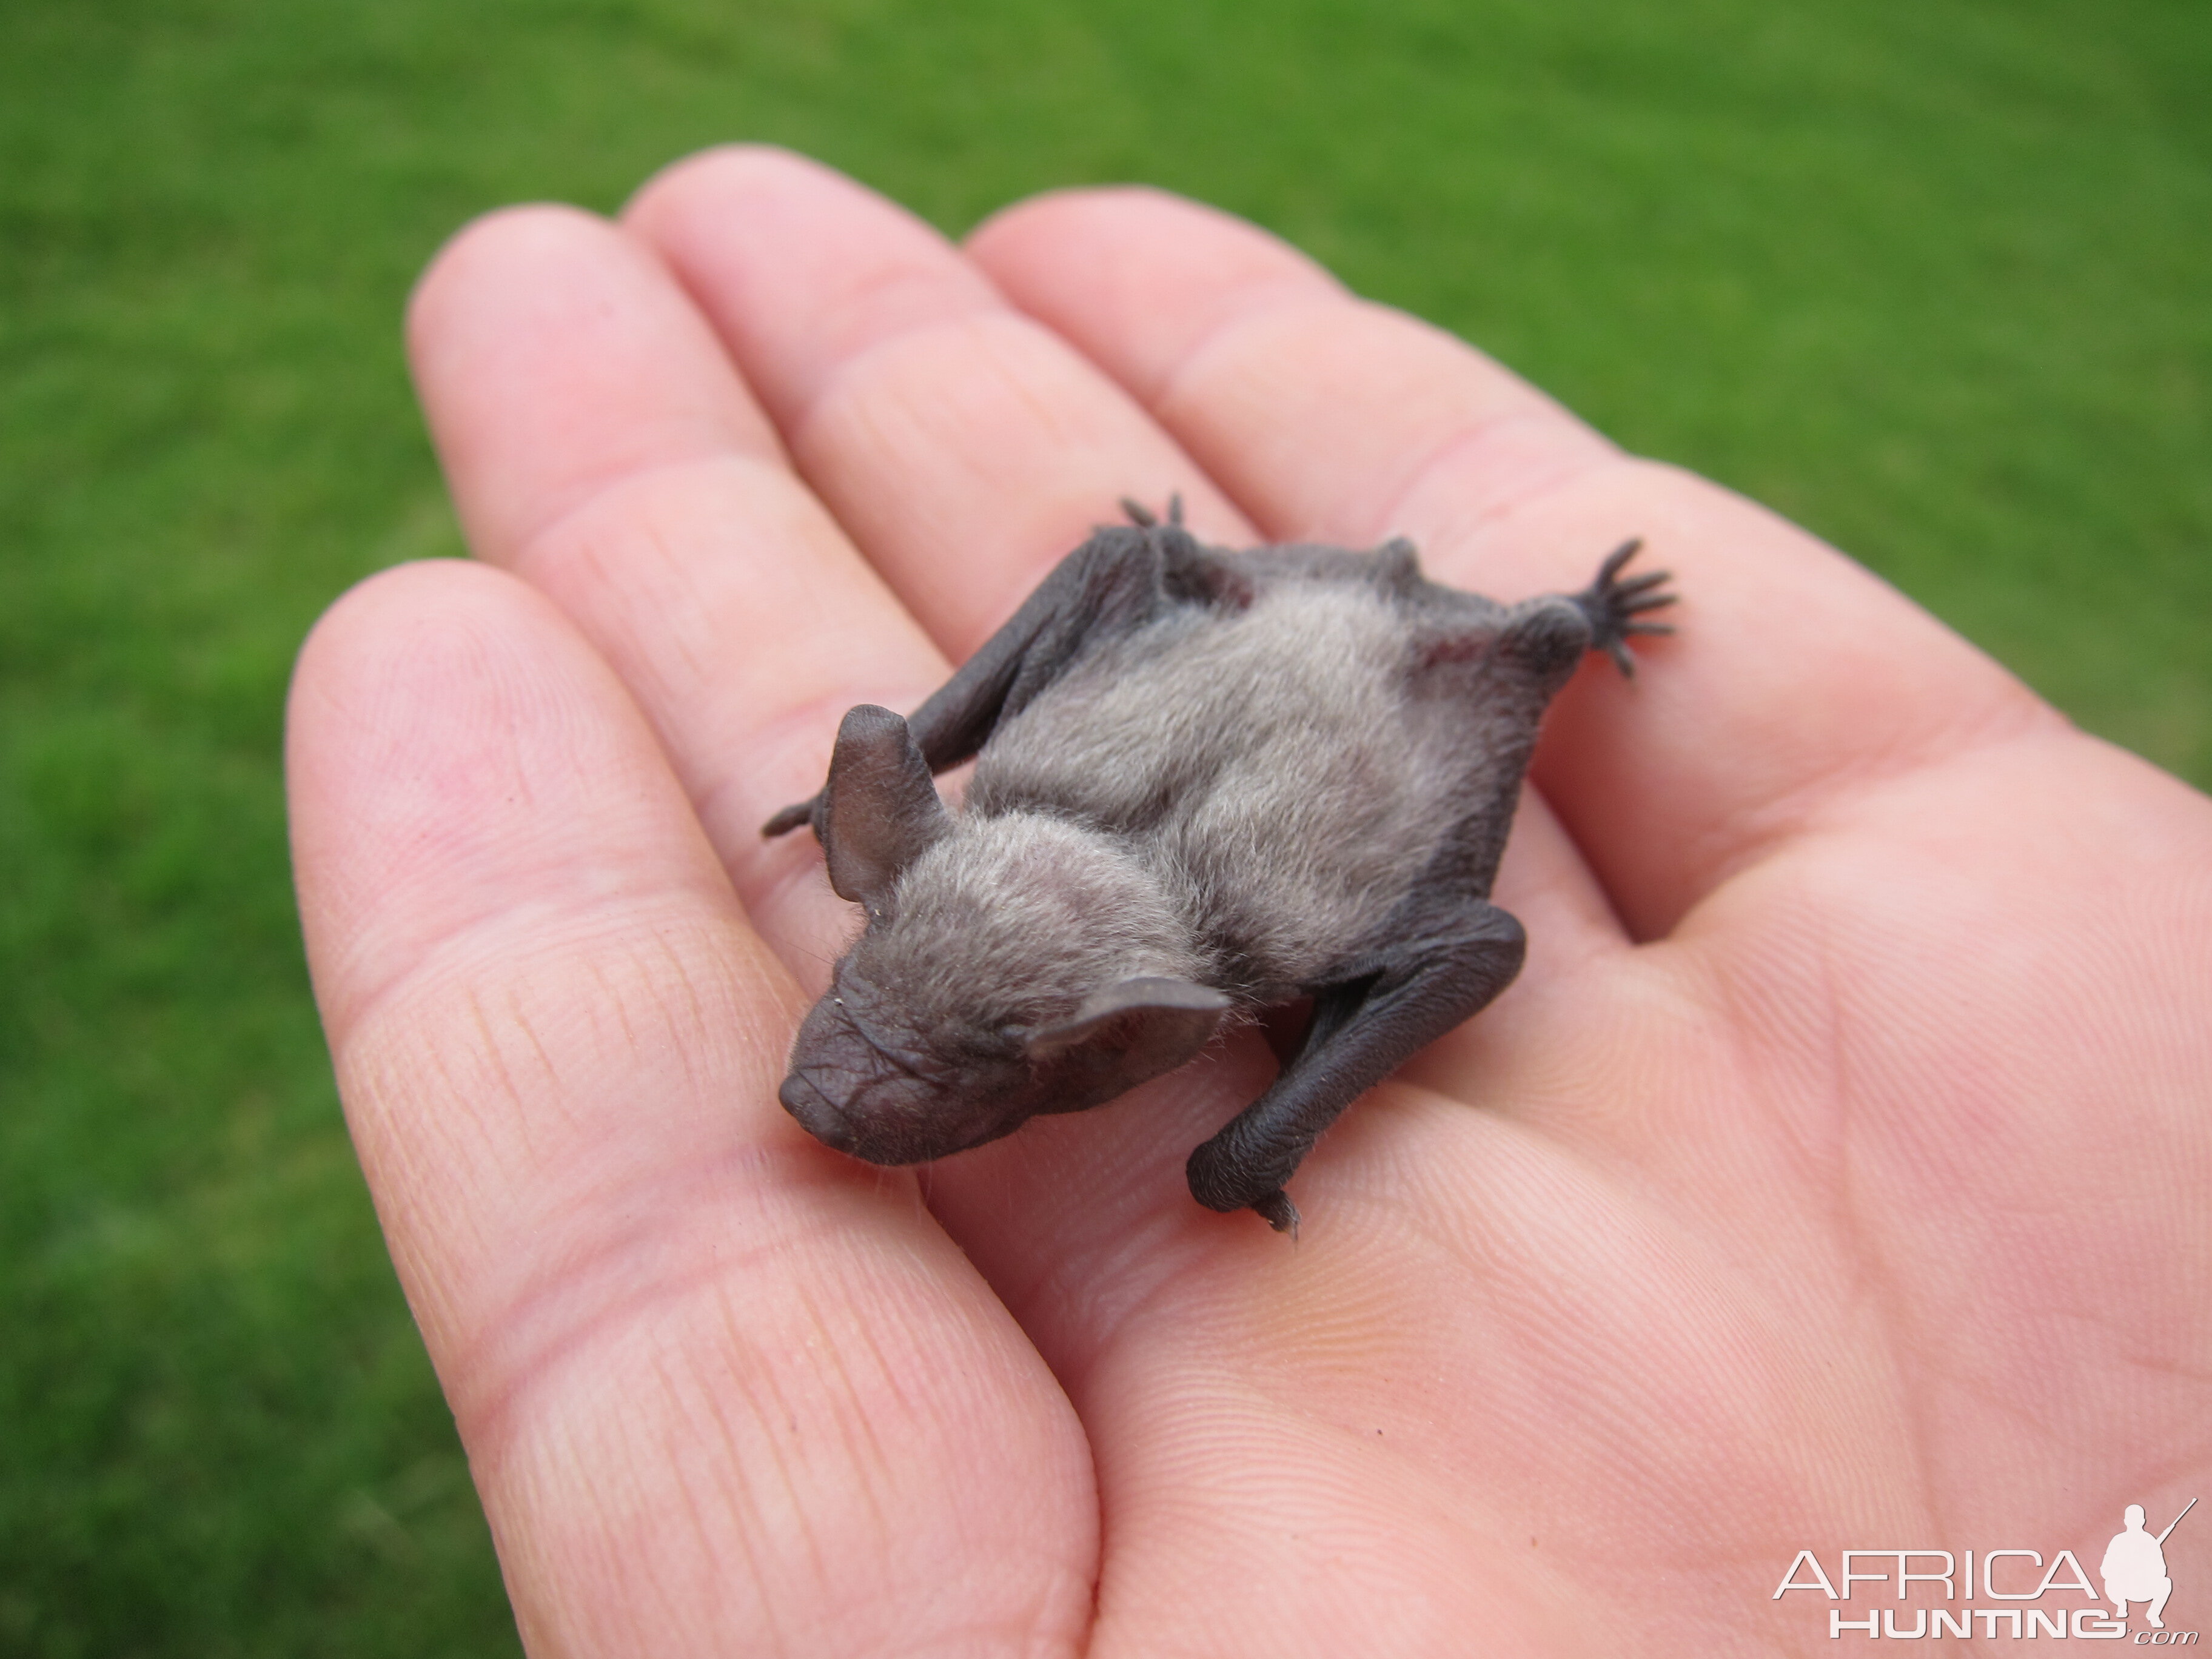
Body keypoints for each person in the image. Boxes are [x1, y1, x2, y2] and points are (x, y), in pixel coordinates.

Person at [285, 146, 2212, 1655]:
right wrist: (1246, 1126)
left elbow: (1472, 941)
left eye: (941, 1057)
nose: (860, 1074)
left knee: (1256, 670)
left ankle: (1527, 631)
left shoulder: (1261, 952)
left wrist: (1262, 1126)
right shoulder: (1025, 795)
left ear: (1109, 1052)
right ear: (902, 850)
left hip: (1370, 703)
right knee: (1122, 580)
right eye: (888, 1006)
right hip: (1220, 686)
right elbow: (1075, 715)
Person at [2105, 1505, 2177, 1627]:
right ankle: (2121, 1605)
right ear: (2126, 1522)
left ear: (2143, 1521)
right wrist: (2122, 1571)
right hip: (2121, 1588)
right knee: (2110, 1581)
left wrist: (2144, 1570)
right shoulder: (2118, 1540)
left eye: (2137, 1520)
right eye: (2132, 1520)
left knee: (2166, 1583)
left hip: (2144, 1588)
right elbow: (2106, 1568)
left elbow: (2162, 1570)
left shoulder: (2150, 1540)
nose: (2134, 1523)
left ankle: (2153, 1614)